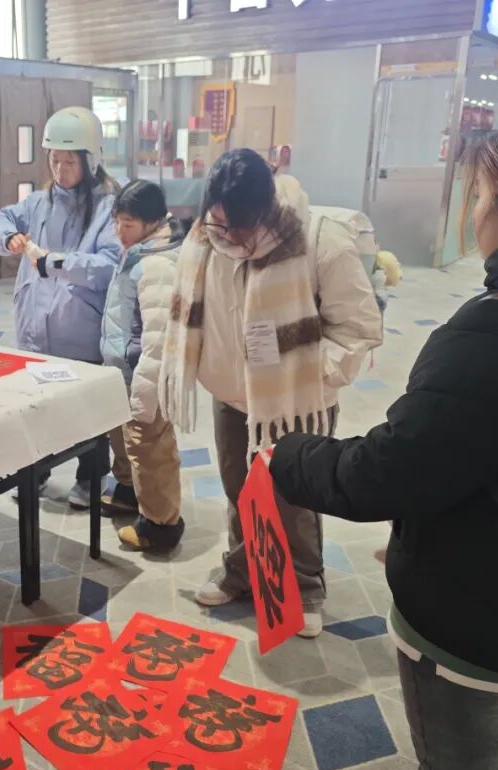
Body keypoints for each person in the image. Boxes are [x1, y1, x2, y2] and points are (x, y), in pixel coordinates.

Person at [268, 108, 498, 770]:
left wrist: (290, 456)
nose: (475, 212)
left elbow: (391, 472)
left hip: (483, 616)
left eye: (480, 196)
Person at [159, 148, 381, 637]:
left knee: (294, 497)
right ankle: (242, 571)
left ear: (266, 208)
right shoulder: (205, 237)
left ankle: (304, 588)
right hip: (232, 397)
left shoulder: (318, 237)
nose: (230, 237)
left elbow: (358, 326)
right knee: (240, 489)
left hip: (296, 402)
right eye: (220, 222)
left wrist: (309, 376)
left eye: (241, 226)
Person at [0, 106, 122, 508]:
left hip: (79, 331)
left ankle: (91, 478)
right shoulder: (38, 203)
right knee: (35, 409)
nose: (61, 170)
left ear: (91, 159)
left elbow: (109, 265)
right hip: (34, 331)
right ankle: (35, 473)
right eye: (55, 160)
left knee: (85, 412)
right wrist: (7, 237)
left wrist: (56, 262)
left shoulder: (109, 207)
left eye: (70, 161)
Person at [100, 180, 186, 552]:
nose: (120, 231)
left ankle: (160, 525)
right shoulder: (139, 251)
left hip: (143, 373)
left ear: (152, 222)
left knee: (150, 446)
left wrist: (146, 392)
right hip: (125, 368)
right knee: (125, 438)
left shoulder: (157, 264)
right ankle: (128, 492)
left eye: (128, 224)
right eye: (117, 222)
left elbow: (158, 339)